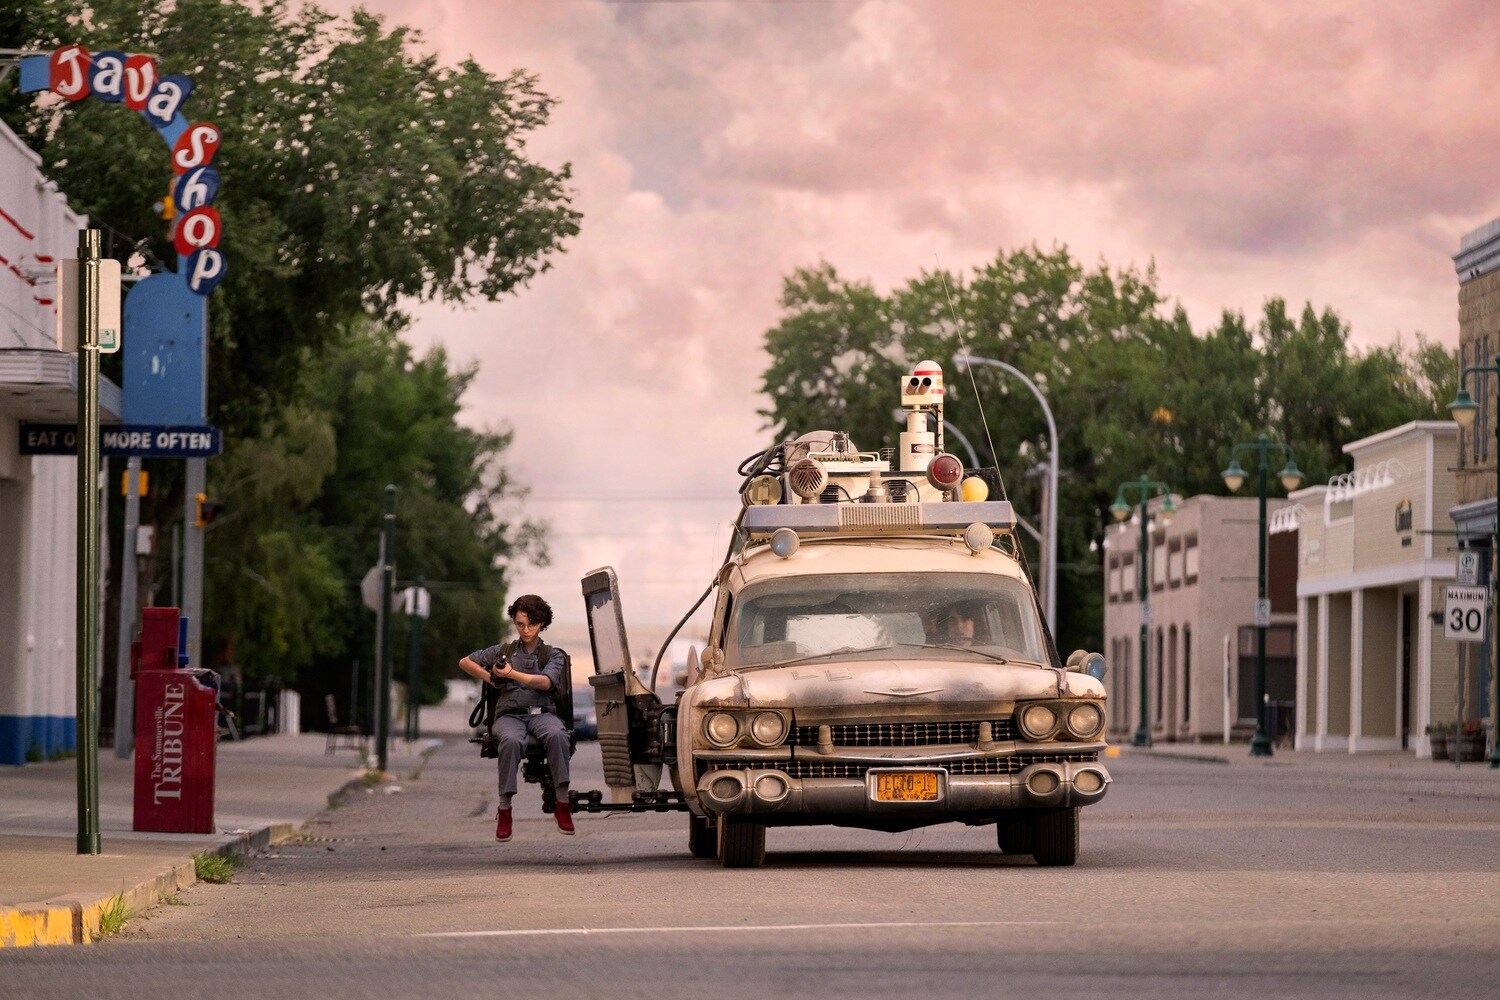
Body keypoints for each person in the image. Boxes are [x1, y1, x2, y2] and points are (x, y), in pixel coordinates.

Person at [459, 594, 574, 841]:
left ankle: (562, 803)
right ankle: (504, 809)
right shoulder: (504, 651)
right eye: (520, 624)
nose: (526, 630)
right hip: (510, 715)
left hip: (541, 713)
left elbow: (545, 682)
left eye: (531, 624)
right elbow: (466, 662)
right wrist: (492, 678)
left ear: (542, 623)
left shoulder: (552, 655)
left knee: (558, 735)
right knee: (510, 741)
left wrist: (512, 674)